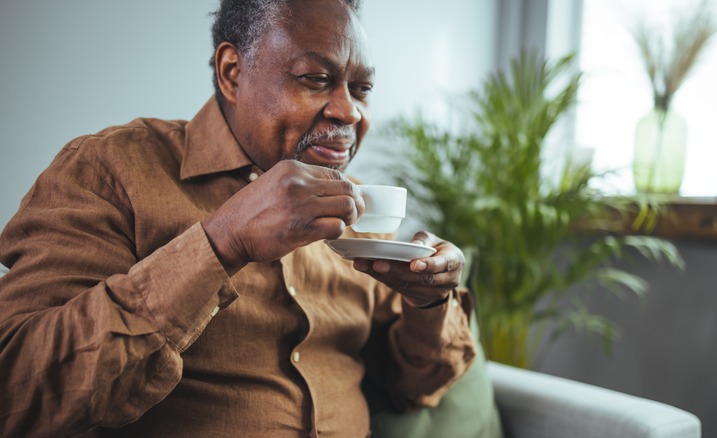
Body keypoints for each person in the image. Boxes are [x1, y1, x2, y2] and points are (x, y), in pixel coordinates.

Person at [0, 0, 475, 436]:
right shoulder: (111, 170)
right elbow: (19, 390)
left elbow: (412, 385)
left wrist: (429, 302)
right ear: (232, 72)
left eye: (362, 88)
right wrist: (222, 241)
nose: (349, 111)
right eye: (315, 79)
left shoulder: (360, 215)